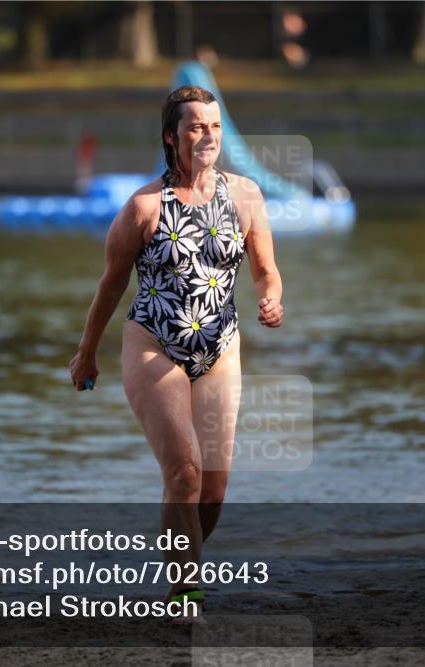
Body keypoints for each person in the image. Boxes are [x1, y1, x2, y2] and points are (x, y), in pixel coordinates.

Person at [69, 85, 284, 622]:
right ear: (171, 137)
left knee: (212, 490)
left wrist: (272, 299)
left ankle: (179, 545)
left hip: (221, 347)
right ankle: (186, 594)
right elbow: (110, 287)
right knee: (184, 473)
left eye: (213, 126)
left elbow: (265, 270)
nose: (207, 136)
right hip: (153, 344)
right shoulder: (144, 207)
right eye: (195, 127)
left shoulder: (246, 196)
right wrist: (86, 354)